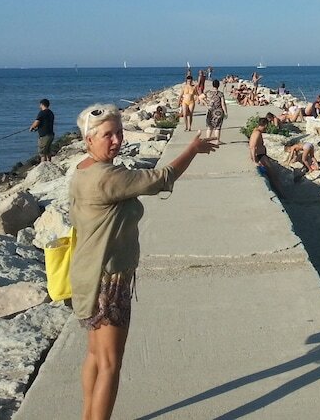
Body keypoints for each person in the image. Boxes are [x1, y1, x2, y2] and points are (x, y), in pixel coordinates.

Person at [70, 104, 217, 420]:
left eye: (119, 133)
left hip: (86, 275)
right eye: (107, 135)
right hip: (108, 280)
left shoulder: (81, 169)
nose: (116, 141)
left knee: (96, 356)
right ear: (88, 140)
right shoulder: (107, 177)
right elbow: (160, 178)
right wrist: (192, 149)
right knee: (110, 362)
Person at [248, 117, 284, 198]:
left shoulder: (256, 131)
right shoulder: (257, 133)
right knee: (273, 175)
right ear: (265, 125)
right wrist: (255, 161)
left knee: (272, 175)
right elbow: (252, 147)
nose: (267, 128)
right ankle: (282, 195)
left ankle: (281, 194)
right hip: (261, 156)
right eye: (267, 126)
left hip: (261, 156)